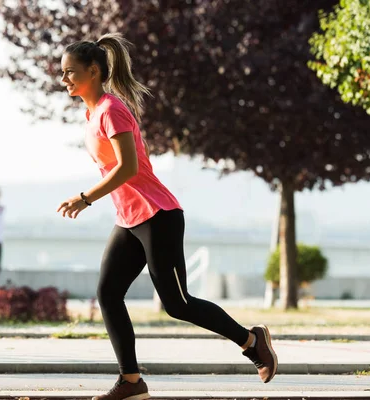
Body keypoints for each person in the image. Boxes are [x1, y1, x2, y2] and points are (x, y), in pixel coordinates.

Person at [57, 33, 278, 400]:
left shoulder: (111, 110)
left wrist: (85, 198)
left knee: (178, 304)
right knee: (108, 294)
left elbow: (128, 167)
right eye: (62, 73)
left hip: (157, 215)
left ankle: (252, 341)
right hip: (130, 218)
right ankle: (131, 382)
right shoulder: (93, 112)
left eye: (70, 72)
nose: (63, 79)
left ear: (93, 72)